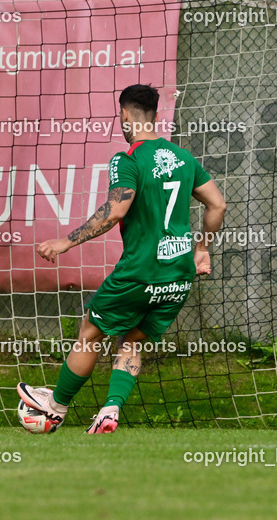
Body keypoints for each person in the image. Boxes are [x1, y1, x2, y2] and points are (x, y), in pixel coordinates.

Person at [18, 84, 227, 434]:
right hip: (178, 275)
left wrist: (65, 243)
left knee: (90, 330)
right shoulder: (185, 159)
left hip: (139, 272)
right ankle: (111, 409)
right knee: (131, 341)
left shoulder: (127, 158)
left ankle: (55, 408)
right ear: (156, 115)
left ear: (125, 114)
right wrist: (202, 248)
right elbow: (217, 205)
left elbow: (116, 210)